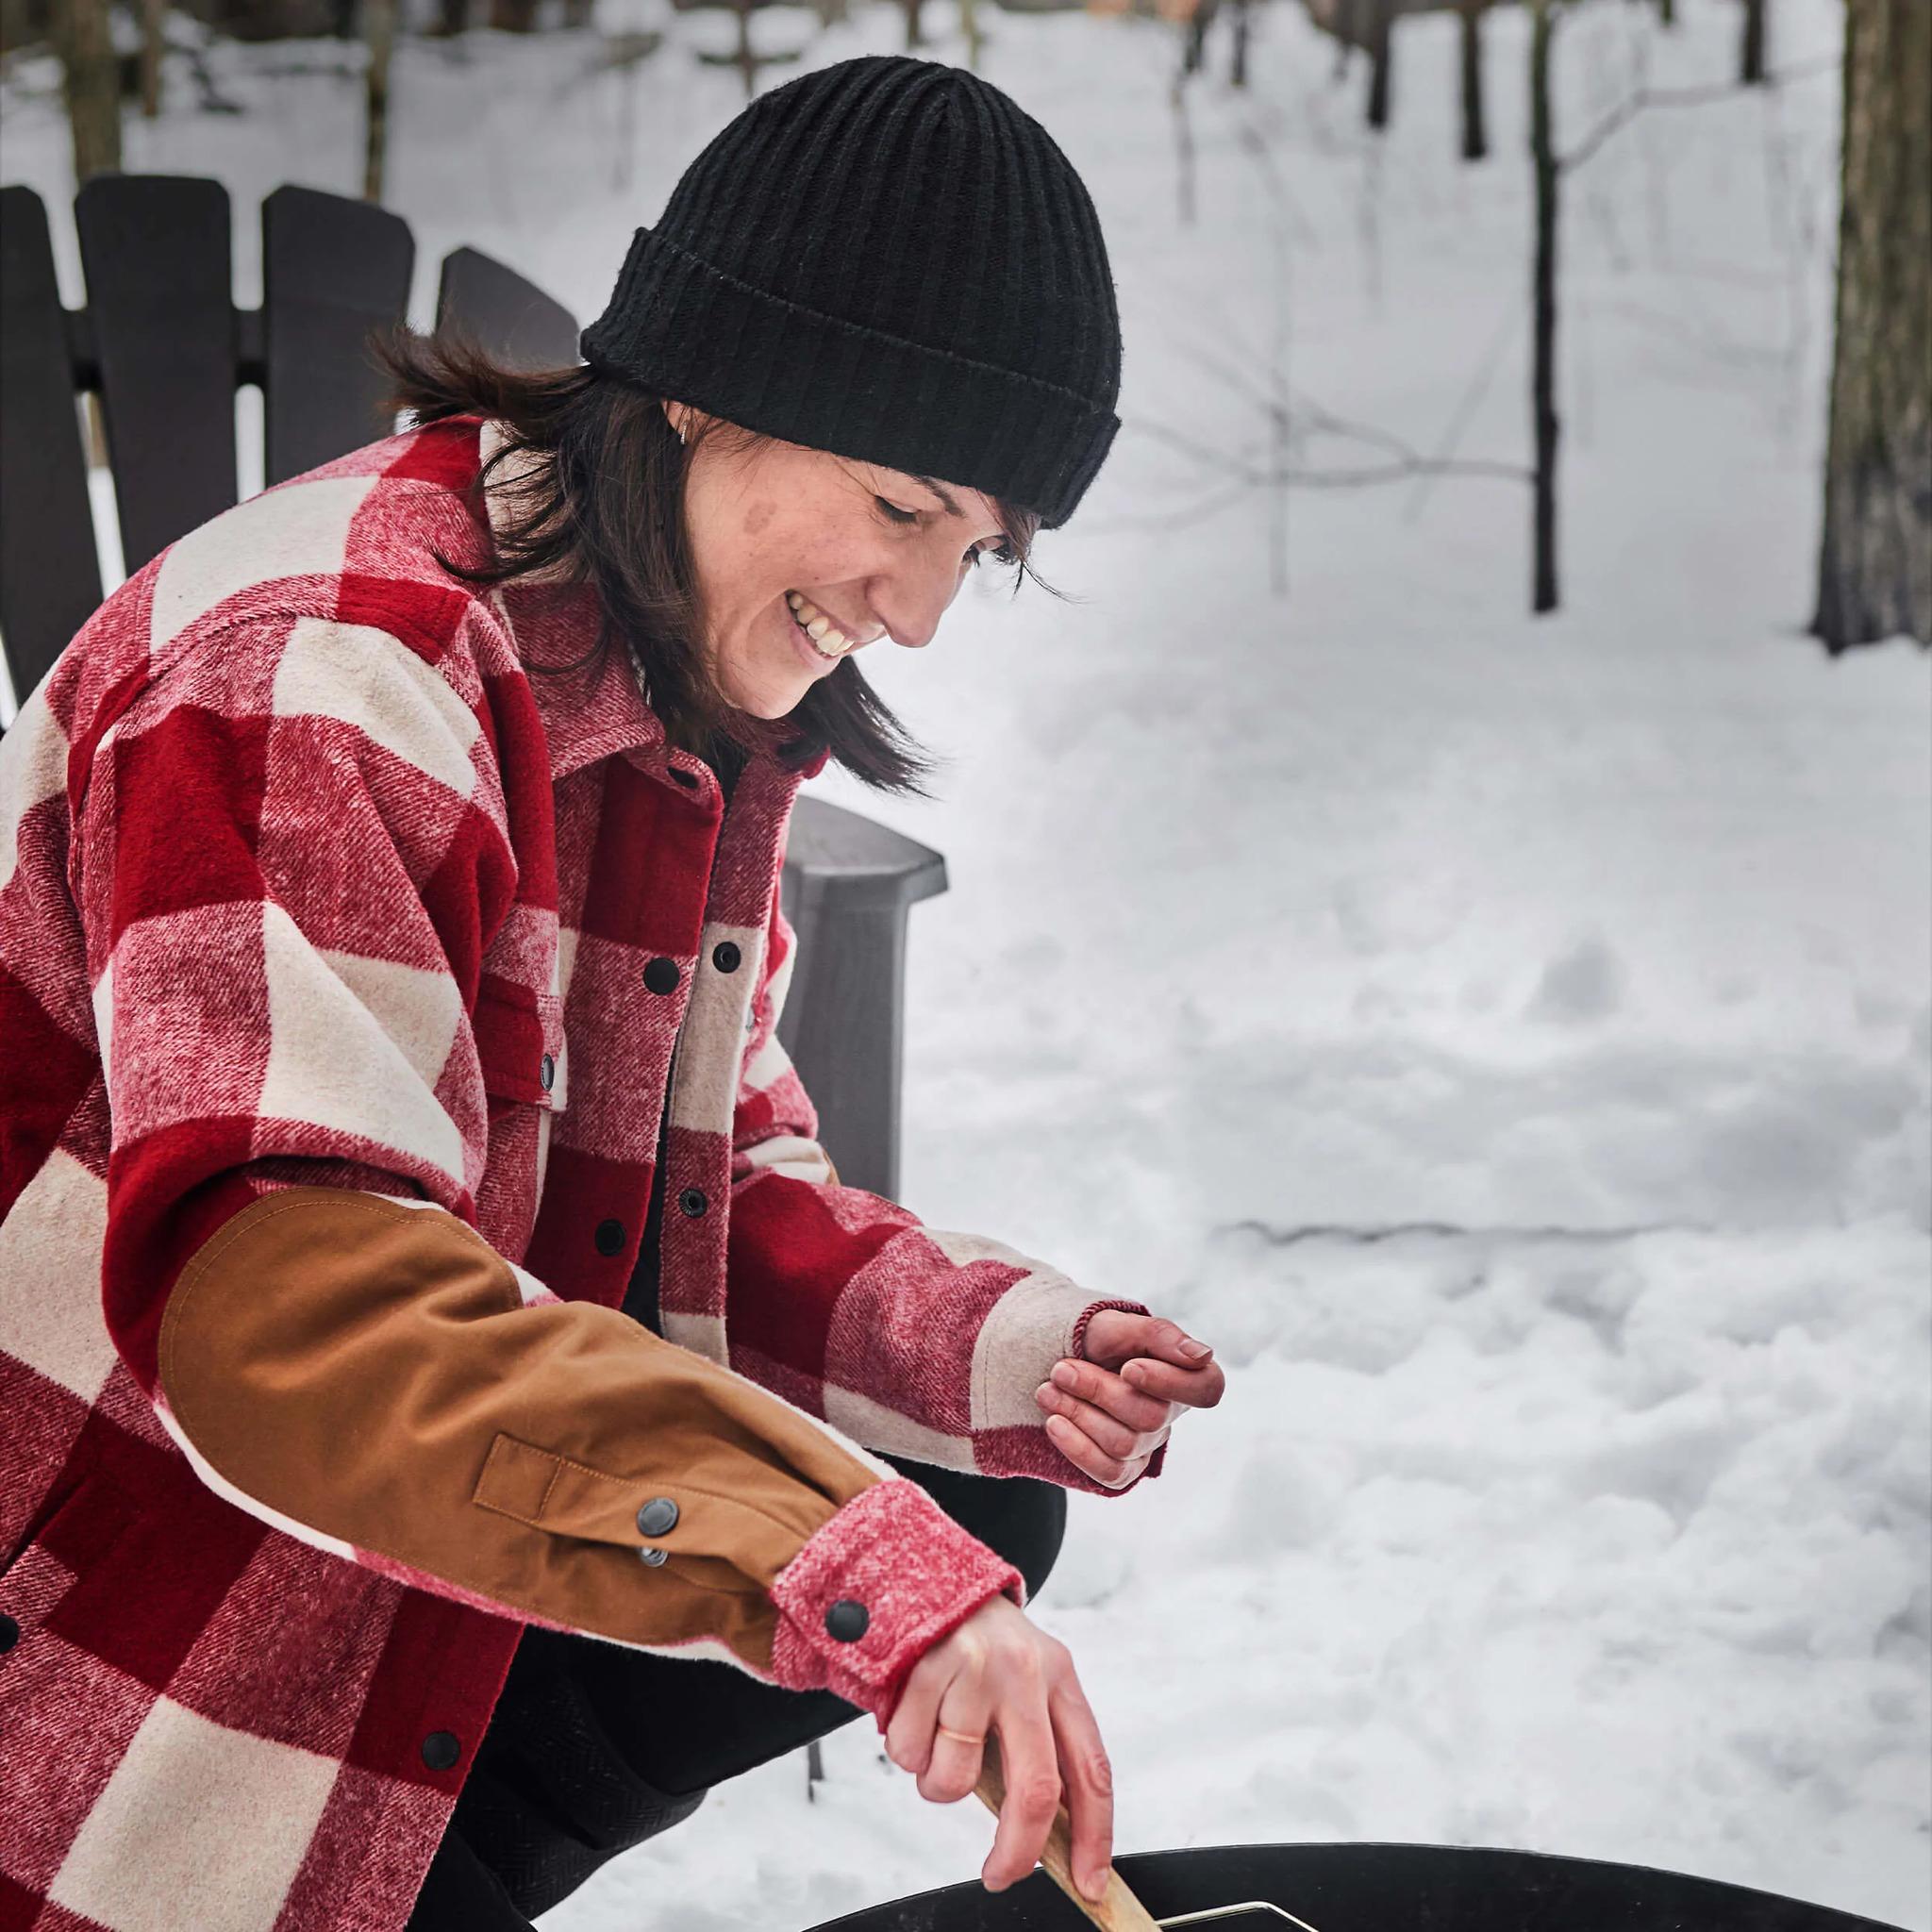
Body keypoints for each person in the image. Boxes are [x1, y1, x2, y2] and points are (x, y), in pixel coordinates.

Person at [0, 53, 1224, 1932]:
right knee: (866, 1532)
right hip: (110, 1623)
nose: (916, 612)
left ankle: (437, 1874)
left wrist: (979, 1346)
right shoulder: (322, 677)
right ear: (707, 388)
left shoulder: (653, 695)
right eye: (901, 506)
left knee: (973, 1497)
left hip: (357, 1523)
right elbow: (290, 1320)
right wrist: (824, 1547)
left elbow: (694, 1191)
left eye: (975, 552)